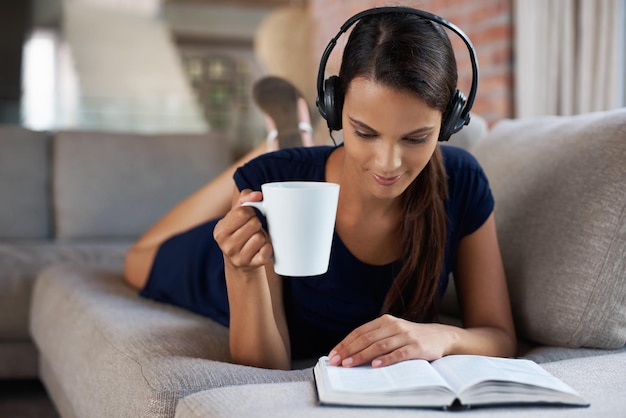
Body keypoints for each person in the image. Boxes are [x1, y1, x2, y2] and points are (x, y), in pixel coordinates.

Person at [124, 8, 516, 371]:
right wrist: (242, 271)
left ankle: (282, 144)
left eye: (417, 138)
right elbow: (264, 365)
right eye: (364, 133)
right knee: (136, 260)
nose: (388, 163)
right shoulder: (271, 185)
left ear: (448, 125)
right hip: (222, 266)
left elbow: (499, 336)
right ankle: (271, 147)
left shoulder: (462, 181)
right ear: (333, 107)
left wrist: (442, 336)